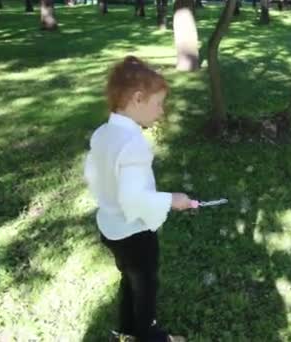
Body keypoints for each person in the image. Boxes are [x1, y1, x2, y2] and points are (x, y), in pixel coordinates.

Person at [84, 56, 197, 342]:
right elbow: (134, 200)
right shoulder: (133, 144)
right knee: (145, 286)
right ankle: (150, 336)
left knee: (128, 278)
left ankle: (124, 330)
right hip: (134, 234)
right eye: (158, 103)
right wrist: (173, 199)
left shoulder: (103, 133)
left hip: (110, 228)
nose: (161, 111)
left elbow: (94, 176)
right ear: (137, 99)